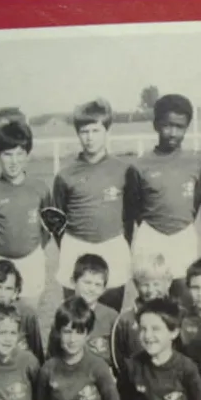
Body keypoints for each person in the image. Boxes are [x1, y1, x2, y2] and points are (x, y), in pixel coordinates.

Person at [52, 98, 135, 312]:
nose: (89, 138)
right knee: (75, 317)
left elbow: (130, 215)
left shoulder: (124, 170)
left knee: (110, 316)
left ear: (107, 131)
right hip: (76, 247)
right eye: (84, 131)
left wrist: (116, 241)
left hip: (112, 245)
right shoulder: (65, 174)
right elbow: (57, 222)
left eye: (96, 131)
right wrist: (73, 245)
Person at [126, 94, 201, 302]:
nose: (173, 133)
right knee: (151, 297)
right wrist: (154, 227)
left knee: (184, 297)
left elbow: (194, 204)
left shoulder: (196, 164)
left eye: (180, 127)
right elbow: (134, 208)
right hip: (152, 234)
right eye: (167, 125)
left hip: (183, 236)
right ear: (156, 125)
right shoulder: (140, 166)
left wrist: (179, 225)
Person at [0, 119, 52, 310]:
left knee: (28, 317)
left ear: (27, 155)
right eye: (7, 155)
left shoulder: (40, 189)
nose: (14, 161)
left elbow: (48, 228)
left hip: (31, 260)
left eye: (20, 154)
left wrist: (32, 248)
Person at [46, 254, 118, 367]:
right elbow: (52, 356)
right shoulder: (64, 313)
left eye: (98, 284)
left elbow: (118, 357)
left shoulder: (111, 316)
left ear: (104, 289)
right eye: (87, 282)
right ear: (74, 281)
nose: (92, 289)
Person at [112, 253, 174, 376]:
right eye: (145, 285)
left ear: (168, 282)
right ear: (135, 284)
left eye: (156, 284)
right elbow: (119, 360)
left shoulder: (178, 315)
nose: (151, 290)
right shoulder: (125, 320)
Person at [0, 260, 44, 363]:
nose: (2, 294)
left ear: (15, 292)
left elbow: (38, 355)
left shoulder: (27, 315)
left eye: (8, 289)